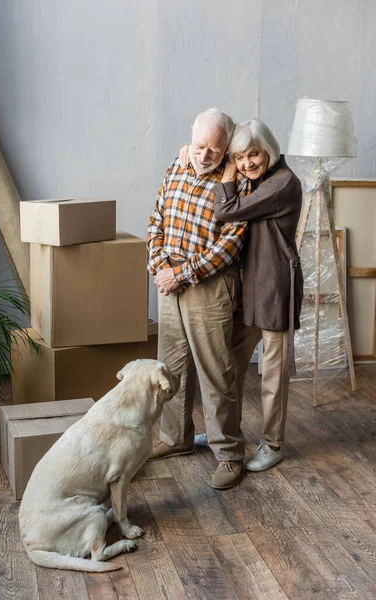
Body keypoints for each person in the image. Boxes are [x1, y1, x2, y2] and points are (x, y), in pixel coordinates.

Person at [179, 118, 303, 472]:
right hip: (249, 287)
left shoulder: (281, 183)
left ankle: (273, 443)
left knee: (273, 374)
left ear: (268, 150)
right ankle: (226, 433)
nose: (248, 163)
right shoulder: (259, 180)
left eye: (254, 154)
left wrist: (229, 174)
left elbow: (225, 210)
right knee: (229, 364)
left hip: (275, 286)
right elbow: (206, 152)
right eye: (240, 157)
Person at [147, 108, 248, 490]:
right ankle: (176, 439)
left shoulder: (235, 181)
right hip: (168, 282)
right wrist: (159, 265)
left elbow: (232, 242)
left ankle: (229, 455)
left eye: (215, 149)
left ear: (227, 149)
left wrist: (182, 274)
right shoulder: (178, 163)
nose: (205, 154)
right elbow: (157, 217)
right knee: (170, 368)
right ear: (191, 135)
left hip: (209, 284)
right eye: (201, 145)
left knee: (216, 373)